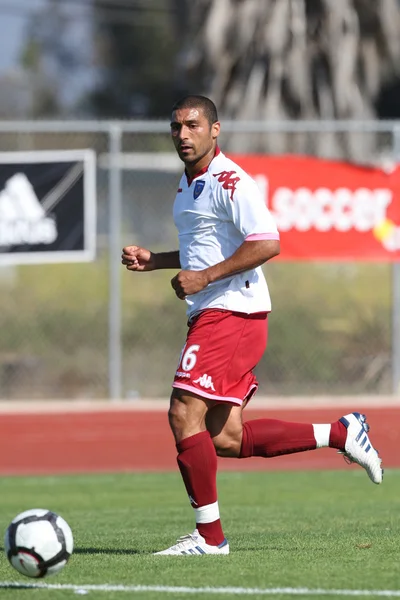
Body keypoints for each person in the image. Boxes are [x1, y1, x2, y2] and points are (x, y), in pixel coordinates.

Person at [121, 95, 383, 556]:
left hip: (232, 311)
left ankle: (209, 538)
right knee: (225, 437)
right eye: (176, 126)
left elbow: (266, 243)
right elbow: (206, 249)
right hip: (215, 310)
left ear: (215, 130)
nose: (183, 134)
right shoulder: (188, 184)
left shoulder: (230, 180)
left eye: (193, 125)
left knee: (184, 412)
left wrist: (203, 278)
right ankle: (340, 433)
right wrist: (156, 260)